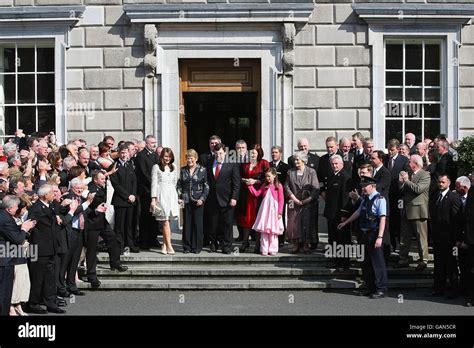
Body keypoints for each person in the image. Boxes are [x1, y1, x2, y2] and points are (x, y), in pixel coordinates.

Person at [337, 176, 388, 299]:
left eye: (365, 186)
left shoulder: (380, 199)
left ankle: (381, 289)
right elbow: (358, 212)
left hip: (374, 233)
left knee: (377, 263)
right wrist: (346, 222)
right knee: (365, 262)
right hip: (364, 234)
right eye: (362, 186)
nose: (363, 188)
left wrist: (380, 237)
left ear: (372, 186)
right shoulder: (365, 199)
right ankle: (370, 287)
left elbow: (382, 218)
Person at [27, 184, 66, 314]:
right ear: (45, 195)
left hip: (51, 248)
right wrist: (54, 217)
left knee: (50, 277)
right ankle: (34, 303)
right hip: (40, 249)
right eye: (51, 193)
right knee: (37, 277)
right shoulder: (36, 208)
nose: (53, 195)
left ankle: (51, 302)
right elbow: (42, 223)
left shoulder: (51, 206)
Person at [86, 171, 128, 289]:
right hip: (92, 223)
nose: (104, 180)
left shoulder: (102, 187)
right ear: (95, 180)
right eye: (102, 179)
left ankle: (115, 263)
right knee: (92, 250)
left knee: (113, 239)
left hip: (102, 221)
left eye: (104, 178)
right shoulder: (92, 189)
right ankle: (91, 275)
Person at [0, 196, 35, 316]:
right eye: (16, 207)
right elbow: (18, 238)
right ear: (10, 208)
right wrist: (24, 229)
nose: (17, 209)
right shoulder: (5, 219)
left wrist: (21, 228)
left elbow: (11, 233)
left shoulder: (4, 216)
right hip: (5, 260)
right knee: (4, 293)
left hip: (6, 259)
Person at [428, 174, 462, 298]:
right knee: (439, 265)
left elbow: (456, 220)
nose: (440, 184)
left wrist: (456, 238)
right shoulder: (435, 195)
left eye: (443, 182)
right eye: (439, 182)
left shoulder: (453, 197)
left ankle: (454, 290)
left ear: (449, 182)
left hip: (449, 239)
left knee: (451, 265)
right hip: (437, 237)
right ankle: (438, 289)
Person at [60, 179, 95, 297]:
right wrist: (88, 203)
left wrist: (95, 210)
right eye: (77, 188)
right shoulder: (69, 197)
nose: (80, 190)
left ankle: (72, 285)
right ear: (72, 188)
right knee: (66, 260)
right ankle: (61, 286)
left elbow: (86, 212)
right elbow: (75, 211)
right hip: (70, 232)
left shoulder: (83, 199)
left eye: (81, 188)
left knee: (75, 260)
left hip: (80, 231)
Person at [397, 155, 431, 271]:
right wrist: (401, 182)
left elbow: (418, 189)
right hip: (406, 210)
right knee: (404, 237)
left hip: (418, 211)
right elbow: (402, 190)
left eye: (409, 161)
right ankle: (403, 259)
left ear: (415, 164)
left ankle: (423, 260)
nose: (407, 163)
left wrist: (406, 181)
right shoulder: (409, 174)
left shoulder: (425, 175)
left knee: (421, 237)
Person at [205, 143, 240, 254]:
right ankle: (214, 243)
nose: (218, 155)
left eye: (220, 153)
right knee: (213, 224)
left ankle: (226, 246)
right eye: (216, 153)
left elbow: (237, 183)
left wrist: (234, 197)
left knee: (227, 224)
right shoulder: (209, 162)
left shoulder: (232, 164)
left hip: (227, 199)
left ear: (225, 152)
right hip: (212, 198)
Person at [236, 144, 270, 253]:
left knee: (258, 219)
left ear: (259, 153)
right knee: (247, 220)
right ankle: (245, 242)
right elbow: (238, 176)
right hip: (246, 195)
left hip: (259, 196)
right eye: (250, 153)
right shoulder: (245, 164)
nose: (252, 155)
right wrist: (245, 180)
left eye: (254, 153)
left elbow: (269, 178)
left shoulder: (264, 163)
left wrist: (255, 181)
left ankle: (258, 244)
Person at [285, 151, 320, 254]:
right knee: (294, 223)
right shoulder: (290, 172)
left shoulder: (311, 172)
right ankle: (295, 245)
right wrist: (294, 198)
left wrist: (306, 200)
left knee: (307, 223)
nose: (295, 161)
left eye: (297, 160)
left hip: (308, 203)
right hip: (294, 202)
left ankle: (306, 244)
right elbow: (286, 186)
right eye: (294, 159)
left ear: (303, 161)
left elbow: (316, 188)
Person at [177, 149, 209, 254]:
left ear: (196, 159)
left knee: (198, 224)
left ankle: (197, 247)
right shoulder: (183, 170)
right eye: (187, 158)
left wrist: (202, 199)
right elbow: (179, 185)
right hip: (186, 200)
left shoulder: (202, 170)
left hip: (198, 200)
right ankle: (187, 247)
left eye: (191, 158)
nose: (189, 160)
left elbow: (206, 186)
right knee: (187, 224)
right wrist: (180, 197)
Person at [247, 167, 284, 256]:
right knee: (264, 230)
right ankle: (264, 249)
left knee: (273, 230)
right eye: (266, 176)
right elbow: (257, 193)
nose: (268, 178)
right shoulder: (265, 185)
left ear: (274, 176)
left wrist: (280, 212)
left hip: (274, 210)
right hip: (265, 210)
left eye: (269, 176)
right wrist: (250, 186)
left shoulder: (278, 185)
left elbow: (281, 199)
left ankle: (273, 249)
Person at [323, 155, 351, 270]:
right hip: (331, 213)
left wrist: (344, 215)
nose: (334, 166)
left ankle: (344, 263)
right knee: (333, 238)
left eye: (336, 164)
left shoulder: (345, 177)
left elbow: (345, 198)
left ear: (342, 164)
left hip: (340, 215)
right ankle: (335, 260)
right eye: (333, 164)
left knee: (342, 240)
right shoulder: (331, 176)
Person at [109, 144, 139, 253]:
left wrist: (133, 195)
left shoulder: (130, 165)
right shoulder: (114, 166)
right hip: (120, 200)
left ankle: (130, 244)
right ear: (118, 153)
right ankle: (119, 246)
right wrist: (127, 196)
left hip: (131, 200)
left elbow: (134, 182)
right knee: (119, 226)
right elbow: (116, 185)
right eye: (121, 152)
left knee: (129, 225)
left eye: (125, 152)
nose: (123, 154)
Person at [151, 147, 180, 255]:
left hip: (171, 195)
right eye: (165, 156)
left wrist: (177, 197)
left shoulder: (174, 167)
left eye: (169, 156)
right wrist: (153, 199)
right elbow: (154, 183)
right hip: (161, 195)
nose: (167, 159)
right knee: (165, 221)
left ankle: (164, 245)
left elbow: (175, 183)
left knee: (168, 221)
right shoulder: (156, 167)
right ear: (162, 157)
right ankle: (169, 245)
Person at [135, 135, 160, 250]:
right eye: (152, 143)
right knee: (145, 216)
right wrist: (154, 183)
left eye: (155, 142)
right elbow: (144, 173)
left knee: (154, 216)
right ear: (146, 143)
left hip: (155, 191)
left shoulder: (156, 155)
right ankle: (144, 241)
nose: (154, 144)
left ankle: (153, 238)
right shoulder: (141, 156)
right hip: (146, 191)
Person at [384, 139, 409, 252]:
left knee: (398, 221)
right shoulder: (385, 159)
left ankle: (400, 246)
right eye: (388, 149)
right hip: (387, 195)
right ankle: (390, 244)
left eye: (392, 150)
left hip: (399, 196)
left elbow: (405, 177)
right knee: (388, 221)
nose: (390, 152)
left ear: (398, 149)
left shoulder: (404, 160)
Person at [455, 176, 471, 302]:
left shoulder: (470, 199)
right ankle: (463, 289)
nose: (455, 189)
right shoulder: (457, 198)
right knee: (463, 266)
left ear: (465, 188)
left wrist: (467, 240)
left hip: (470, 240)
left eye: (457, 187)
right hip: (461, 240)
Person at [269, 146, 290, 246]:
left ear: (280, 154)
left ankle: (281, 239)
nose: (274, 154)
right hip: (269, 196)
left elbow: (287, 182)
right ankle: (271, 237)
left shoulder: (286, 167)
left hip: (281, 196)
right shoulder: (268, 165)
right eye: (272, 152)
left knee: (280, 217)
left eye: (276, 152)